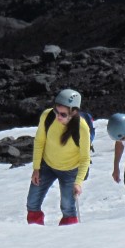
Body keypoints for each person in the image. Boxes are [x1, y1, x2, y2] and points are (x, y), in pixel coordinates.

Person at [26, 89, 91, 226]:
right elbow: (39, 142)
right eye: (56, 111)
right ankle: (34, 235)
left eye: (63, 114)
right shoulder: (47, 116)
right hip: (47, 166)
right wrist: (36, 168)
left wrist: (78, 182)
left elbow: (85, 158)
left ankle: (65, 239)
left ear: (73, 112)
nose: (58, 117)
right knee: (32, 203)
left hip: (70, 171)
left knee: (68, 208)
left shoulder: (82, 127)